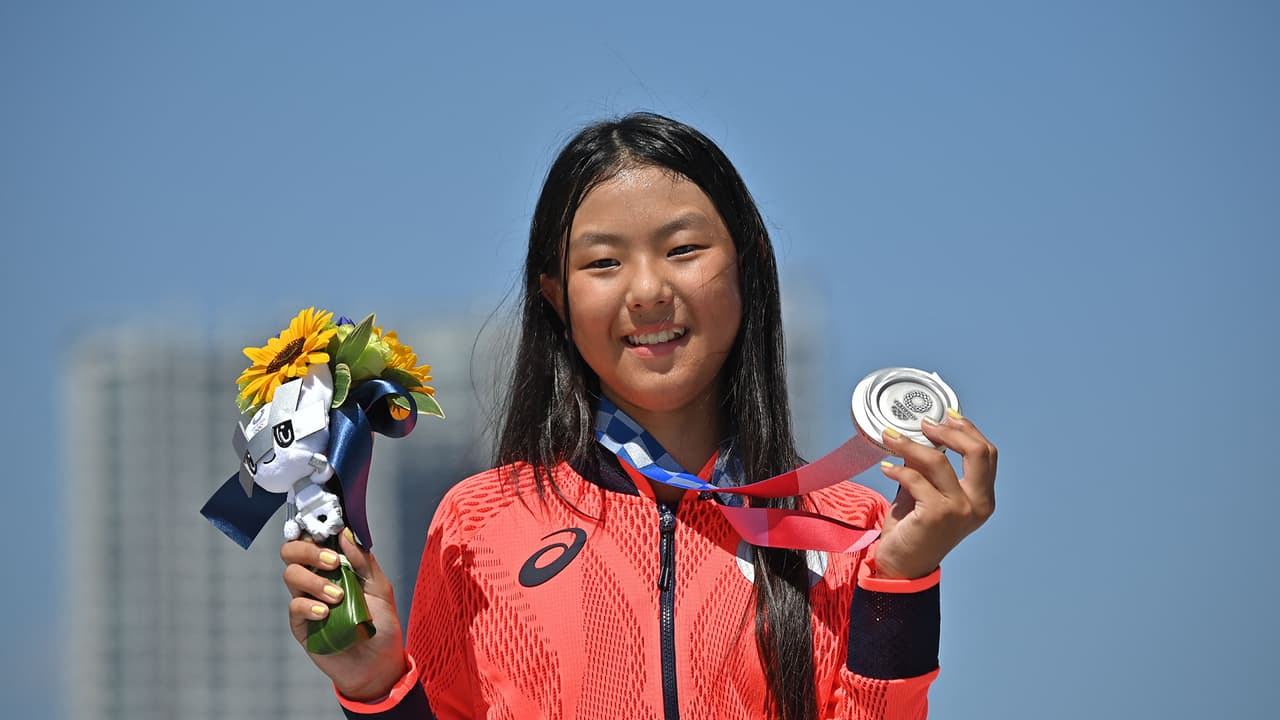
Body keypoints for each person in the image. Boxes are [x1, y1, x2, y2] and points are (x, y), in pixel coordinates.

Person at [281, 112, 998, 719]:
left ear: (745, 269)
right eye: (603, 264)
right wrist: (374, 681)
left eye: (683, 250)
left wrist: (901, 579)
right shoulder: (478, 522)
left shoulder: (849, 526)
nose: (648, 290)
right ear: (556, 298)